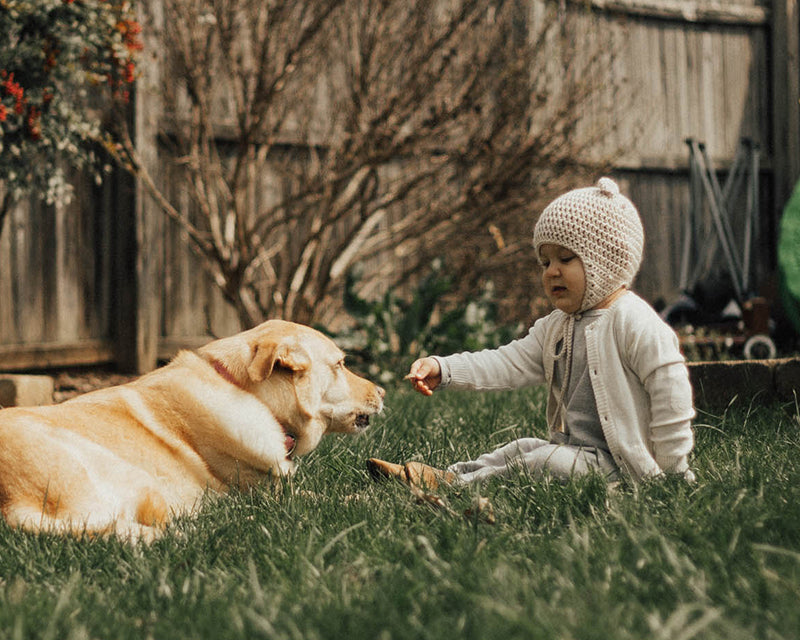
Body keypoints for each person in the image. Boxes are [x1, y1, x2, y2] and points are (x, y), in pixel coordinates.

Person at [368, 177, 696, 489]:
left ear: (606, 262)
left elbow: (671, 393)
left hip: (623, 468)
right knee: (522, 448)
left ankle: (456, 488)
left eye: (566, 258)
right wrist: (446, 369)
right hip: (577, 453)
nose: (552, 271)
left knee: (544, 462)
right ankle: (447, 475)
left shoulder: (633, 321)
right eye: (544, 262)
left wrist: (672, 470)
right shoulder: (558, 326)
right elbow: (506, 362)